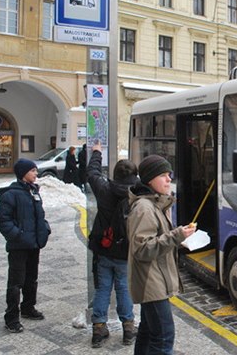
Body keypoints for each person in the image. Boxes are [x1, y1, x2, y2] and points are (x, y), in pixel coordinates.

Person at [127, 155, 196, 354]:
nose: (169, 180)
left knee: (149, 332)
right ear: (150, 179)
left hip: (153, 279)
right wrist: (175, 236)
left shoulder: (154, 203)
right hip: (151, 281)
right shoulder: (144, 208)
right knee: (164, 336)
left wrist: (179, 239)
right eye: (164, 175)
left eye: (169, 175)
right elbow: (141, 249)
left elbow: (156, 241)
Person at [87, 140, 139, 348]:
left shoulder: (104, 188)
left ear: (116, 174)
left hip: (104, 248)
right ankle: (128, 328)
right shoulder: (136, 194)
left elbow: (92, 173)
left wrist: (97, 153)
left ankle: (98, 329)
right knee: (124, 289)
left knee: (102, 289)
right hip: (125, 251)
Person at [0, 158, 51, 333]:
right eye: (33, 171)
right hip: (19, 246)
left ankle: (28, 307)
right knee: (15, 283)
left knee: (31, 278)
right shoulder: (11, 194)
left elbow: (39, 216)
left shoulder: (34, 191)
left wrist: (45, 229)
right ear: (23, 173)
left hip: (33, 244)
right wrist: (17, 235)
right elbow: (3, 220)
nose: (36, 174)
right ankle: (11, 318)